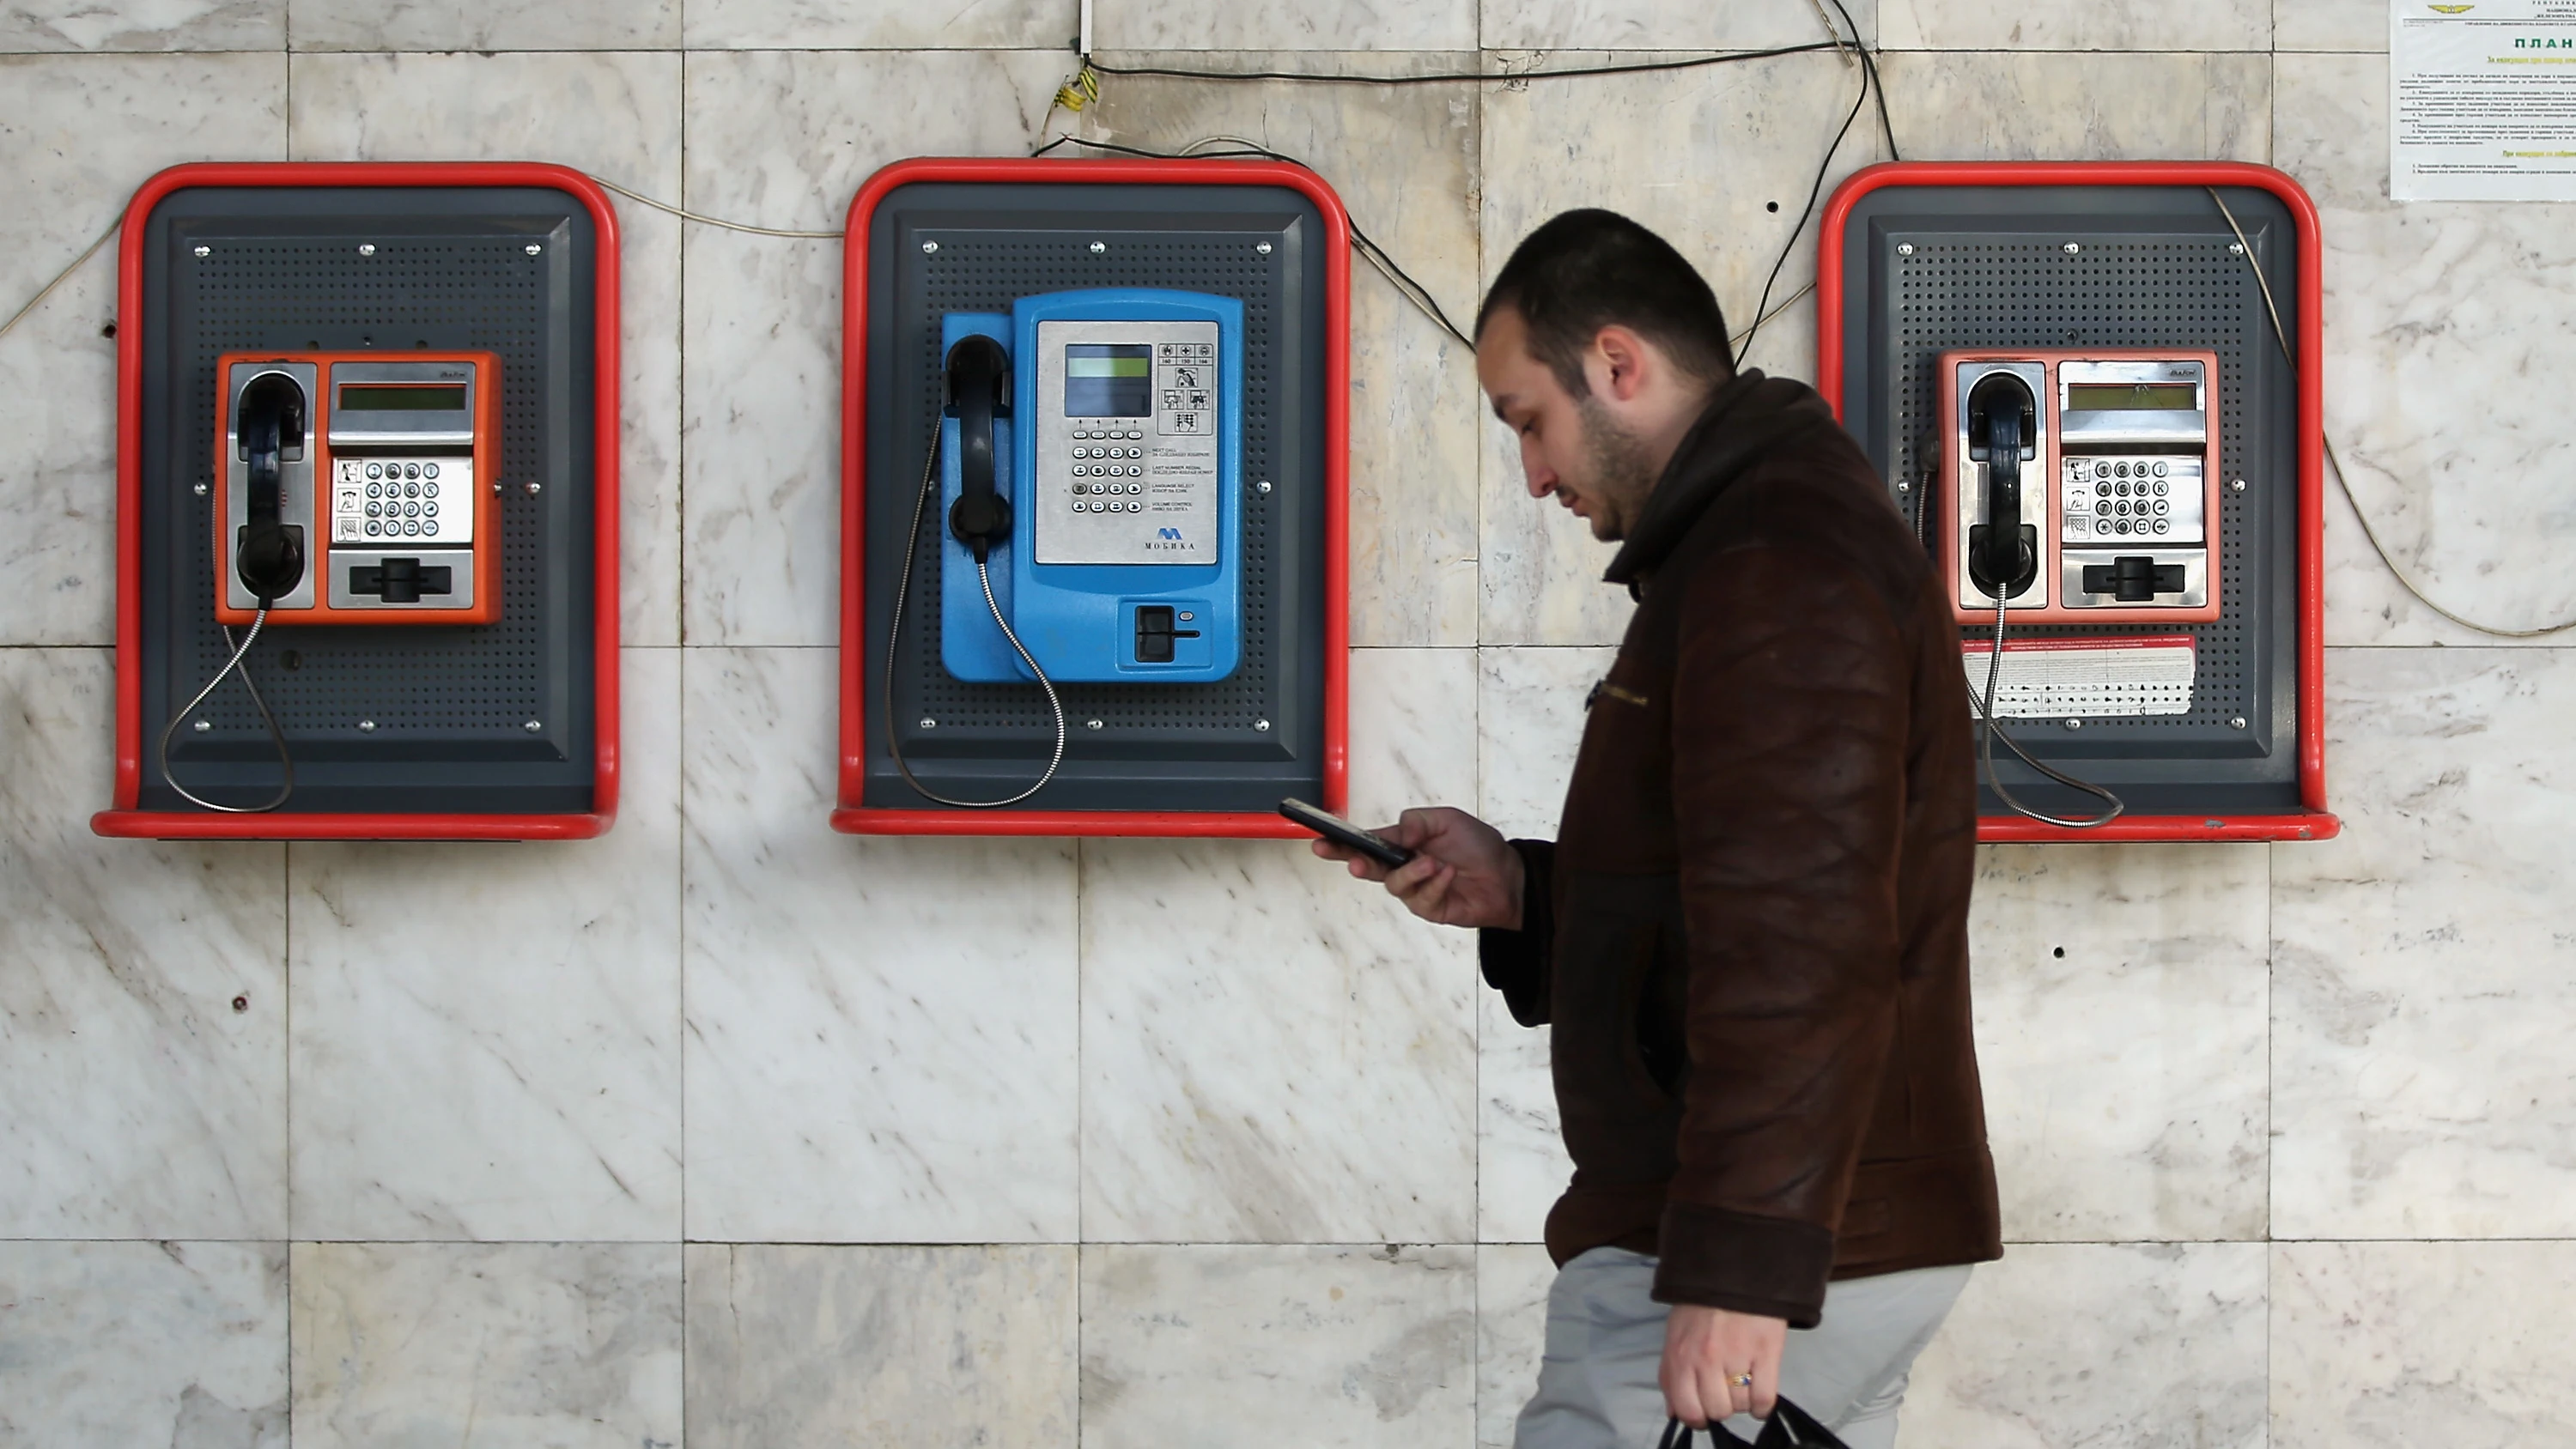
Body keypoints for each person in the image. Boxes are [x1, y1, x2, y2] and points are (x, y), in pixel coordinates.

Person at [1315, 209, 2001, 1448]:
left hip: (1747, 1251)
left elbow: (1800, 936)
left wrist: (1737, 1270)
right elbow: (1740, 892)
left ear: (1619, 365)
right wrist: (1522, 889)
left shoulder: (1776, 557)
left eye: (1530, 419)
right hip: (1810, 1234)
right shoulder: (1754, 542)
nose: (1530, 474)